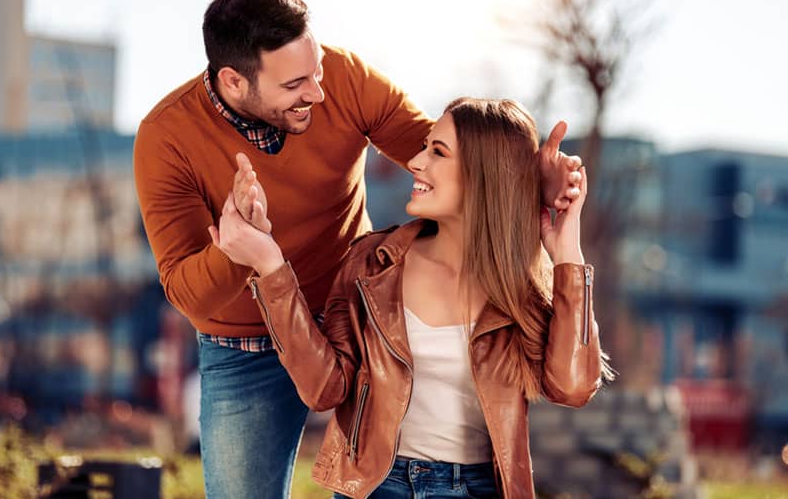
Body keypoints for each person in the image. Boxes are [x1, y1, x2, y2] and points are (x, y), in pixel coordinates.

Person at [134, 0, 584, 499]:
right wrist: (242, 249)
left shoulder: (347, 80)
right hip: (246, 341)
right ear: (235, 81)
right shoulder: (167, 137)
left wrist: (531, 184)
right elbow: (187, 293)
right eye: (295, 84)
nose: (317, 93)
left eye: (317, 69)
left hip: (359, 318)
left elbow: (452, 162)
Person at [210, 97, 613, 498]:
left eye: (438, 151)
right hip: (375, 487)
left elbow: (573, 387)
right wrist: (270, 266)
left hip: (479, 489)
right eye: (424, 147)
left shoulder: (518, 287)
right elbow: (324, 390)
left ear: (483, 173)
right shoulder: (373, 264)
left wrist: (566, 251)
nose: (416, 162)